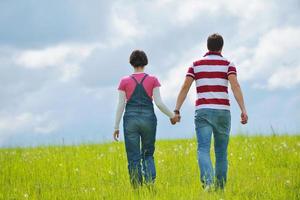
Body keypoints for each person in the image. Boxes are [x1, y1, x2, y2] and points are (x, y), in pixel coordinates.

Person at [174, 33, 248, 190]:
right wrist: (243, 109)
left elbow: (185, 87)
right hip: (223, 112)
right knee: (221, 152)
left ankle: (208, 184)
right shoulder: (228, 64)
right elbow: (235, 86)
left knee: (203, 149)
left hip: (203, 111)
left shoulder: (196, 65)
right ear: (222, 47)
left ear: (207, 46)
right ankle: (220, 188)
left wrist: (177, 109)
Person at [113, 50, 180, 188]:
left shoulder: (124, 81)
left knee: (133, 157)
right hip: (149, 119)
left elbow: (120, 105)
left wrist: (116, 127)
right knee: (148, 154)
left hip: (130, 120)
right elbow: (159, 103)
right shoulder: (153, 80)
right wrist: (172, 116)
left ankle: (137, 190)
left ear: (131, 62)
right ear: (145, 62)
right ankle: (150, 183)